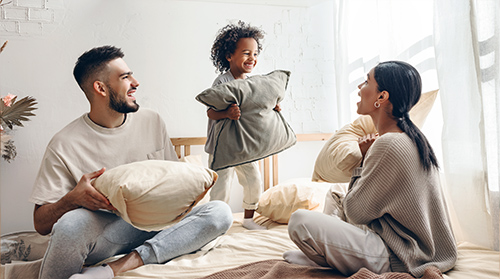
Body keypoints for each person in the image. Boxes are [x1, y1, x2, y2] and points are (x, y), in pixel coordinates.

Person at [29, 45, 233, 279]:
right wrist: (72, 199)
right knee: (70, 224)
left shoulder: (152, 121)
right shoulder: (64, 143)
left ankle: (117, 268)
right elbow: (40, 224)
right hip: (110, 231)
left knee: (221, 212)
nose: (135, 82)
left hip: (161, 223)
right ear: (100, 88)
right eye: (125, 77)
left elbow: (174, 179)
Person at [284, 61, 457, 277]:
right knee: (336, 193)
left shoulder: (388, 144)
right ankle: (330, 255)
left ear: (381, 97)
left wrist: (362, 161)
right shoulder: (412, 137)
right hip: (410, 246)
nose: (359, 88)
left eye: (366, 81)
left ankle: (328, 258)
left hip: (400, 255)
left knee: (300, 221)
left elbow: (356, 213)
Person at [205, 21, 278, 231]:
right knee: (221, 187)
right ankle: (214, 224)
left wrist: (272, 107)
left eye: (255, 54)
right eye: (246, 53)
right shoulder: (222, 82)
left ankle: (248, 218)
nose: (252, 59)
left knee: (254, 181)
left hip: (244, 145)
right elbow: (210, 112)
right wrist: (226, 113)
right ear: (229, 56)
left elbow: (255, 110)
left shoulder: (252, 83)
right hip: (223, 146)